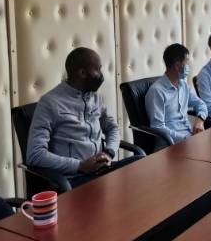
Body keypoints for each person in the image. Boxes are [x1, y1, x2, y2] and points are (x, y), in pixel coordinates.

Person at [27, 48, 144, 189]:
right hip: (73, 180)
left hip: (101, 171)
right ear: (82, 73)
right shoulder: (50, 102)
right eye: (98, 70)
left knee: (142, 163)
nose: (101, 75)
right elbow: (35, 154)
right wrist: (80, 166)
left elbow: (112, 128)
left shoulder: (96, 98)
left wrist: (108, 153)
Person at [146, 43, 208, 151]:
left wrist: (200, 119)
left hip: (189, 139)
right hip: (170, 145)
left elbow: (201, 104)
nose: (188, 65)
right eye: (187, 62)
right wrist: (184, 139)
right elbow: (158, 127)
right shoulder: (157, 91)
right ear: (178, 66)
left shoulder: (183, 85)